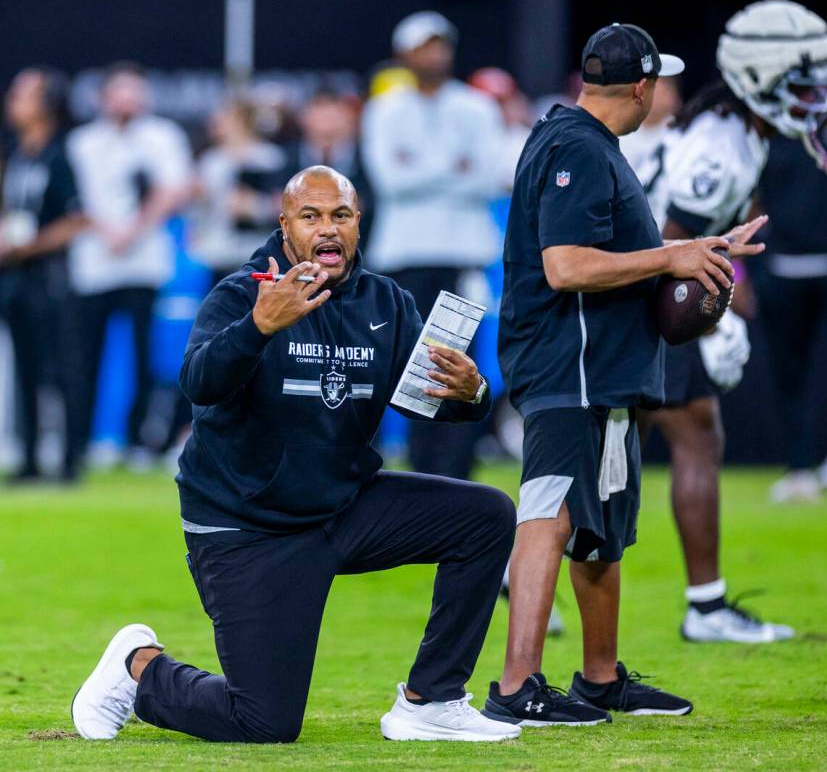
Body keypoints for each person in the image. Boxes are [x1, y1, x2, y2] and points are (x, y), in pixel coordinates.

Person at [71, 166, 520, 744]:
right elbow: (197, 383)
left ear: (359, 223)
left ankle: (431, 700)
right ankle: (139, 669)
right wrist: (258, 326)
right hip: (248, 524)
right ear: (285, 226)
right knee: (263, 721)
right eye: (311, 216)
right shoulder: (242, 293)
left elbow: (426, 404)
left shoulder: (386, 301)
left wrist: (472, 393)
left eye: (340, 215)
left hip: (343, 507)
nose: (327, 229)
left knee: (484, 516)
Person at [488, 22, 766, 727]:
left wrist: (699, 247)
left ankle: (600, 677)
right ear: (641, 87)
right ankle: (517, 682)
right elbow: (566, 264)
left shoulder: (590, 145)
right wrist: (671, 259)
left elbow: (622, 251)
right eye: (658, 82)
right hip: (566, 363)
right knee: (548, 509)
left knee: (602, 523)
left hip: (604, 370)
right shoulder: (577, 147)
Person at [634, 0, 827, 642]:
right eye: (800, 85)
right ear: (759, 79)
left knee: (615, 455)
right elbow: (668, 248)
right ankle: (706, 606)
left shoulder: (740, 128)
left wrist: (728, 289)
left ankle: (524, 569)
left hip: (644, 298)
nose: (815, 99)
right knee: (693, 437)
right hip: (643, 299)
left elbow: (718, 236)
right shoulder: (719, 147)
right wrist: (712, 321)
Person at [362, 11, 504, 480]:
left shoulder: (478, 108)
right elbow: (389, 180)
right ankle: (417, 468)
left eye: (441, 45)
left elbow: (488, 178)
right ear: (405, 54)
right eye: (425, 46)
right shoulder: (384, 109)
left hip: (461, 253)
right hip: (404, 256)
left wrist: (421, 167)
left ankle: (458, 467)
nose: (435, 54)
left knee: (460, 366)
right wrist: (453, 167)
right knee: (405, 365)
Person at [66, 62, 193, 468]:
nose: (127, 100)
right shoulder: (81, 142)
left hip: (144, 263)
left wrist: (134, 230)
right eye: (119, 91)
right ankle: (82, 441)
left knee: (144, 354)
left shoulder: (162, 136)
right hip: (93, 263)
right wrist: (107, 231)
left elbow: (174, 188)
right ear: (102, 98)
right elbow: (76, 198)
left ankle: (140, 440)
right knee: (85, 355)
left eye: (134, 91)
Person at [756, 91, 827, 501]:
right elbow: (751, 200)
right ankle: (800, 468)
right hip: (782, 267)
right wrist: (742, 273)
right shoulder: (769, 128)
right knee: (789, 374)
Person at [0, 68, 89, 482]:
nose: (12, 102)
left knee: (61, 370)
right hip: (16, 278)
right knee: (25, 372)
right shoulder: (19, 153)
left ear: (45, 104)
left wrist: (28, 246)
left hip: (50, 278)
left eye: (23, 95)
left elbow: (76, 219)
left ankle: (71, 460)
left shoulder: (60, 154)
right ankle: (32, 459)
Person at [190, 99, 287, 286]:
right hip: (218, 252)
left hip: (257, 252)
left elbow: (283, 204)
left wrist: (256, 206)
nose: (215, 122)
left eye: (223, 117)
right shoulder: (212, 160)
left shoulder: (269, 158)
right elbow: (201, 212)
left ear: (240, 121)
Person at [284, 89, 375, 251]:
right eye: (320, 112)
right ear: (304, 118)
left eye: (334, 113)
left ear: (350, 118)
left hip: (364, 249)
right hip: (298, 254)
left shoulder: (371, 157)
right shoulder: (286, 158)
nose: (327, 121)